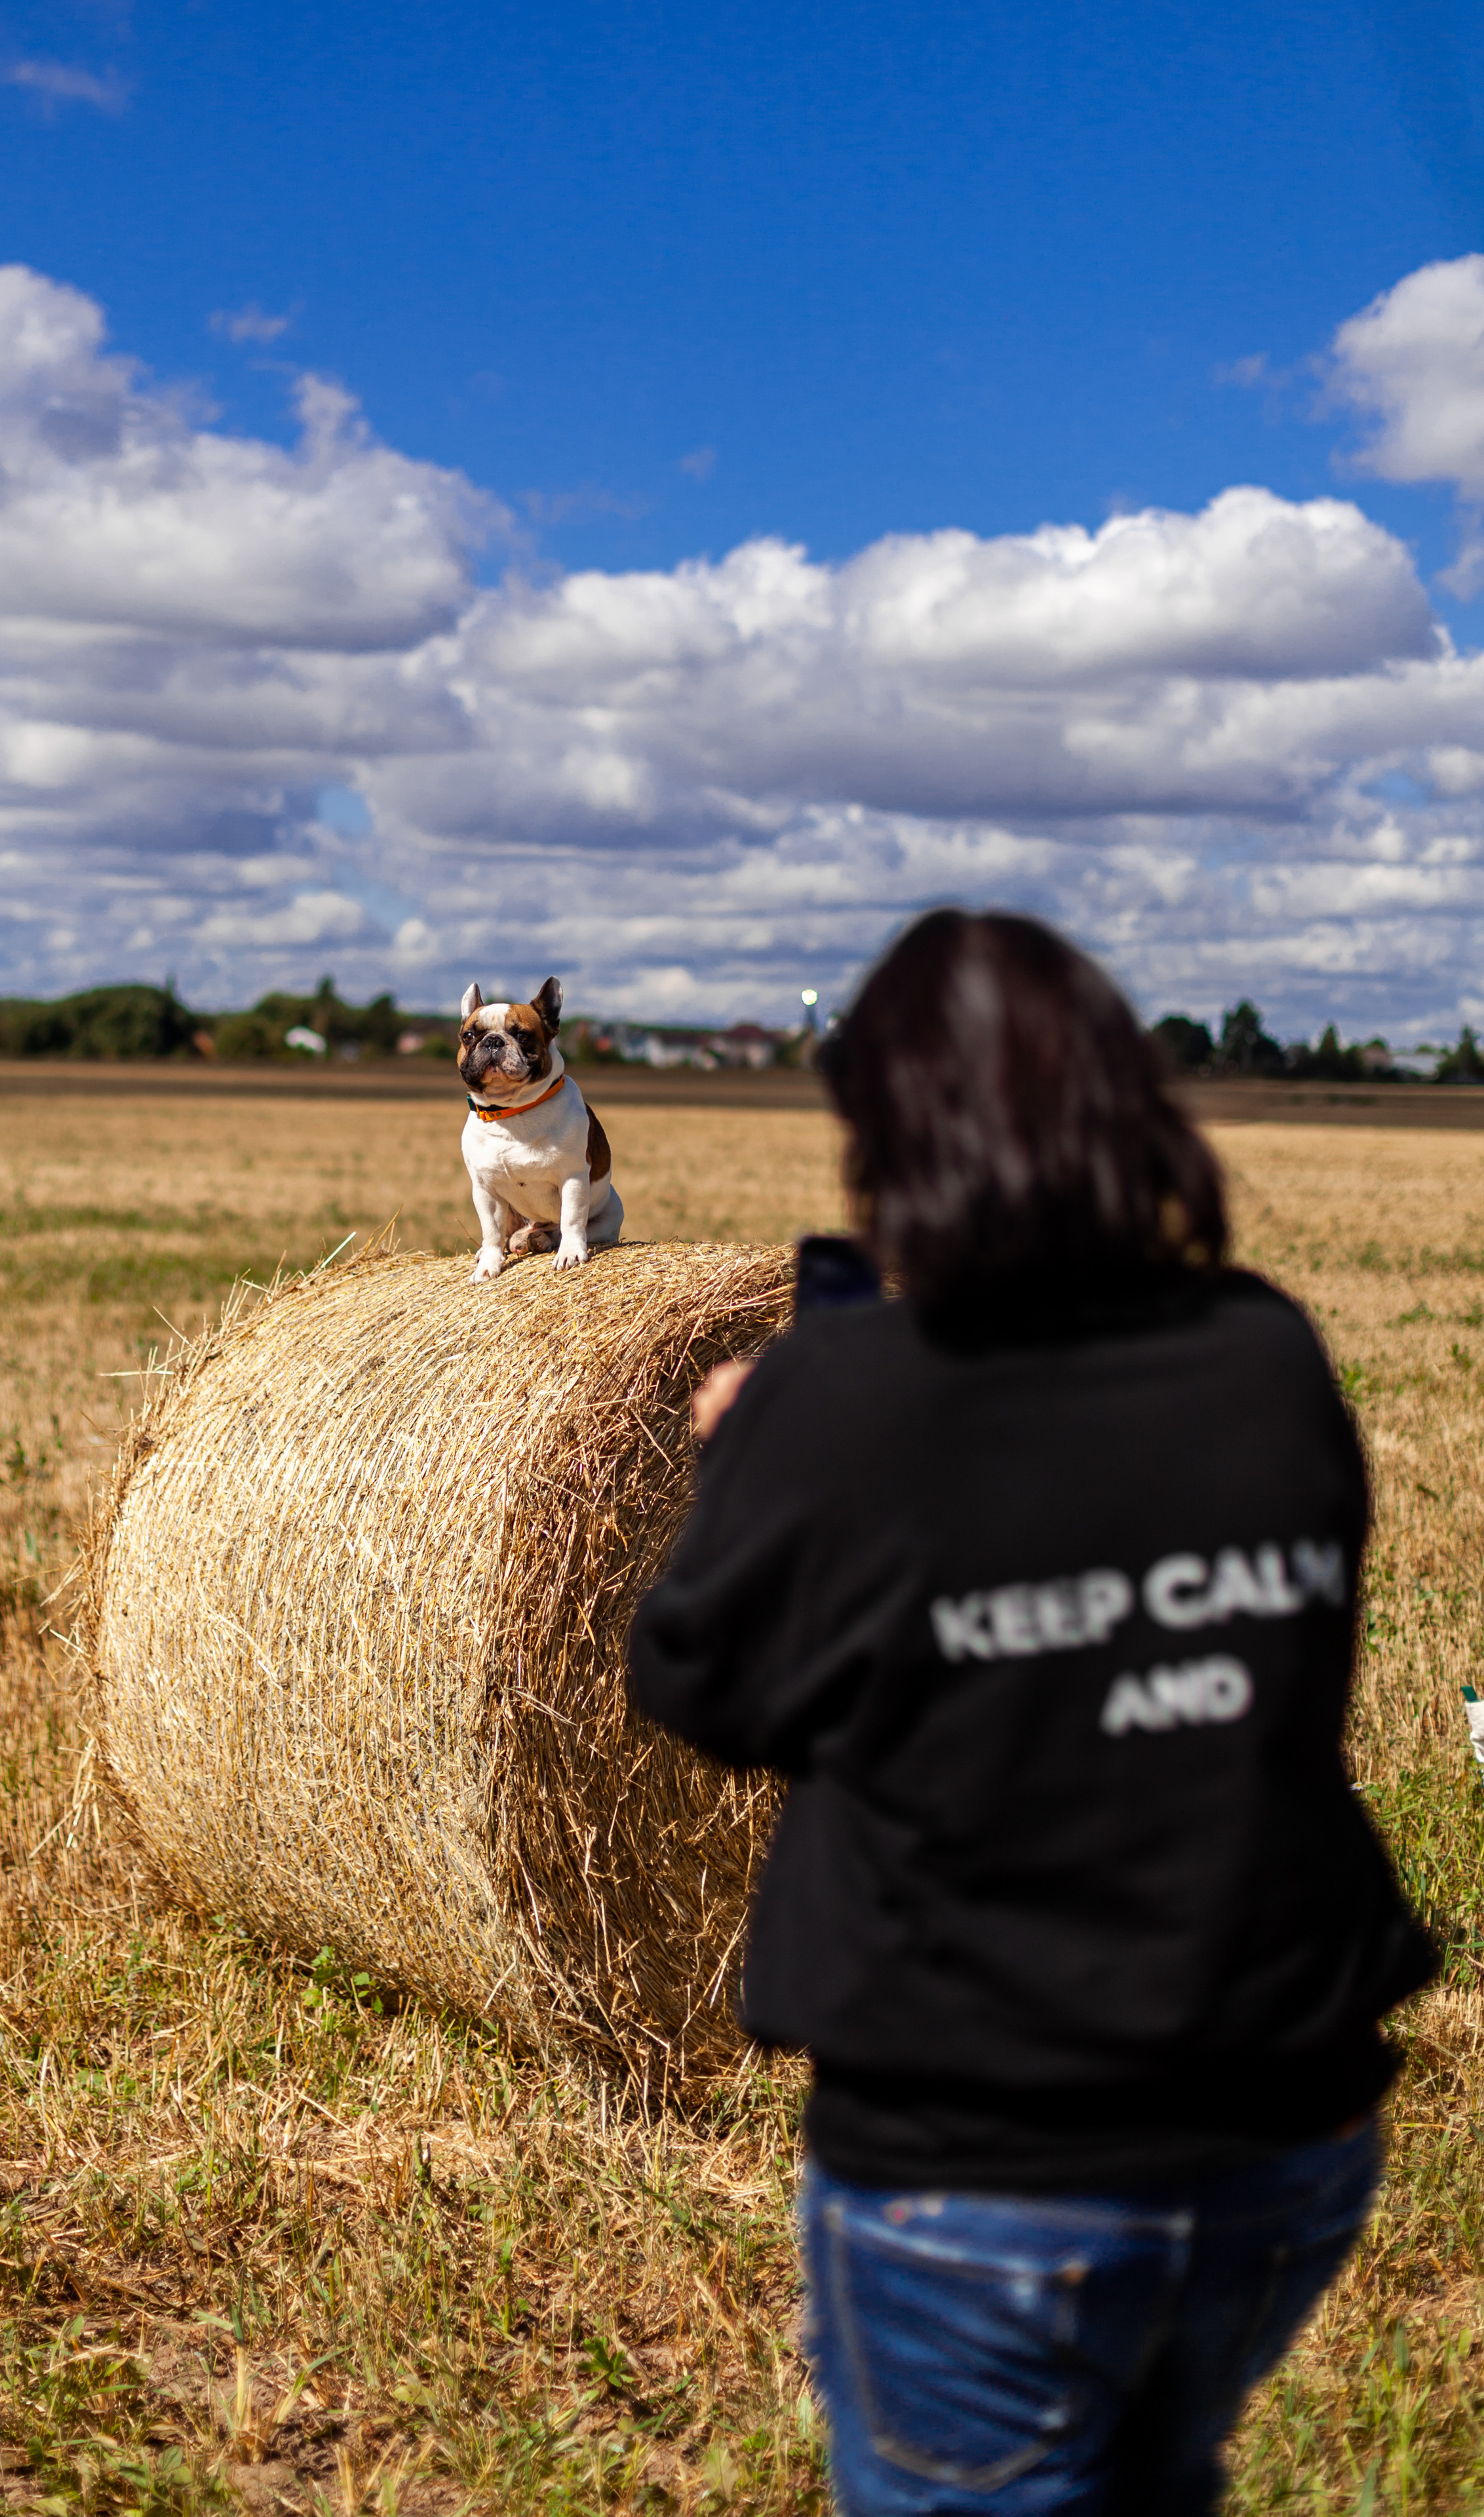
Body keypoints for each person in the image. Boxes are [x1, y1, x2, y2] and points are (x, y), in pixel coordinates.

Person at [628, 909, 1433, 2517]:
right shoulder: (1263, 1351)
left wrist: (751, 1456)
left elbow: (704, 1690)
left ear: (886, 1139)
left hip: (983, 2165)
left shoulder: (841, 1401)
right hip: (1287, 2135)